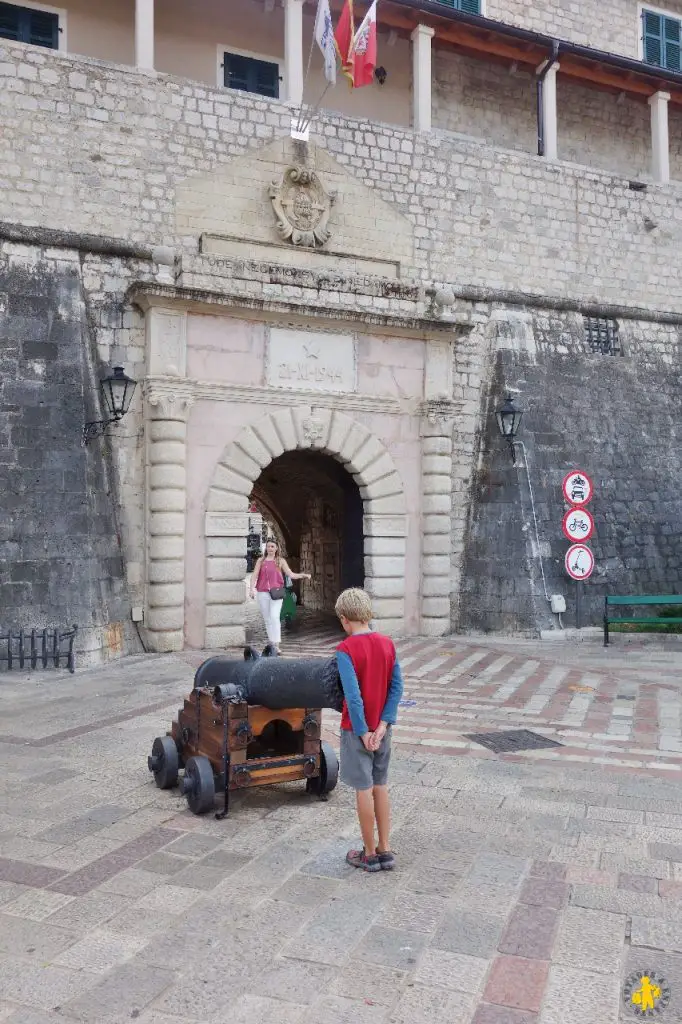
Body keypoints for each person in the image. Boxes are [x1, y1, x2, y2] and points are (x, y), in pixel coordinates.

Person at [334, 587, 404, 873]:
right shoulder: (388, 644)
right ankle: (386, 849)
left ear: (344, 619)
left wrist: (363, 732)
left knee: (363, 789)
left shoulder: (345, 650)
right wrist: (384, 724)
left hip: (357, 730)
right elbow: (396, 687)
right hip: (383, 729)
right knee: (380, 785)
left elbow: (353, 696)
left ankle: (369, 853)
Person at [249, 539, 311, 655]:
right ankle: (271, 642)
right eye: (268, 547)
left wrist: (304, 575)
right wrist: (251, 589)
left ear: (277, 548)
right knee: (267, 619)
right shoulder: (261, 561)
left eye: (272, 546)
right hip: (263, 593)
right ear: (266, 548)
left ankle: (276, 644)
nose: (270, 549)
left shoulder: (280, 561)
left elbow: (291, 574)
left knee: (274, 616)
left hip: (277, 592)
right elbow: (254, 575)